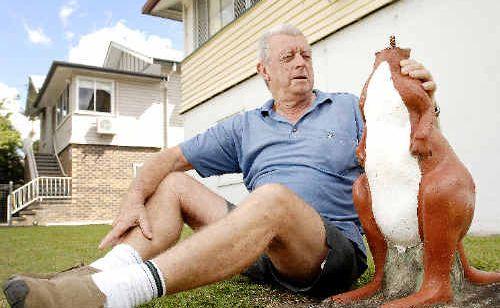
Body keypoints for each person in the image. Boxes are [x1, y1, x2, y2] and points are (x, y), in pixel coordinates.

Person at [3, 24, 437, 308]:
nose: (301, 62)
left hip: (331, 252)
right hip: (260, 247)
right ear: (263, 70)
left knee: (274, 199)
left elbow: (412, 130)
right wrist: (132, 200)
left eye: (306, 55)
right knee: (174, 185)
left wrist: (424, 96)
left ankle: (111, 294)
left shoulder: (346, 107)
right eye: (288, 57)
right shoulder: (246, 125)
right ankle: (93, 276)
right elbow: (167, 159)